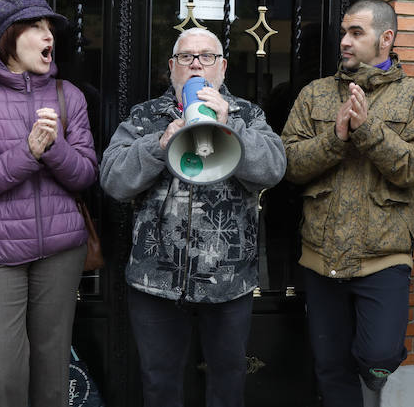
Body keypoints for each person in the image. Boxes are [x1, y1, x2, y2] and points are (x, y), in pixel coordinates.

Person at [99, 28, 286, 407]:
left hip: (228, 280)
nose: (196, 63)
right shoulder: (145, 115)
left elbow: (273, 169)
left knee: (228, 382)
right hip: (156, 280)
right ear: (172, 67)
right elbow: (113, 181)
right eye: (186, 57)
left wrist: (229, 124)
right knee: (160, 384)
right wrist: (159, 142)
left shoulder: (248, 114)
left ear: (222, 68)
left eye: (206, 56)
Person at [280, 0, 414, 406]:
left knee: (378, 356)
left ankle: (373, 364)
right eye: (344, 32)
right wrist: (335, 138)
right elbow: (289, 165)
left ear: (385, 39)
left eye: (357, 33)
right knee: (331, 369)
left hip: (383, 257)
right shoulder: (315, 94)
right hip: (321, 255)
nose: (345, 42)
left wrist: (368, 130)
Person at [0, 0, 98, 407]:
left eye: (51, 29)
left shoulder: (70, 96)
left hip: (61, 250)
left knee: (52, 372)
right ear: (9, 38)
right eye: (38, 27)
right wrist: (26, 153)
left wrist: (53, 148)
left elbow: (85, 174)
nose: (50, 37)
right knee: (2, 372)